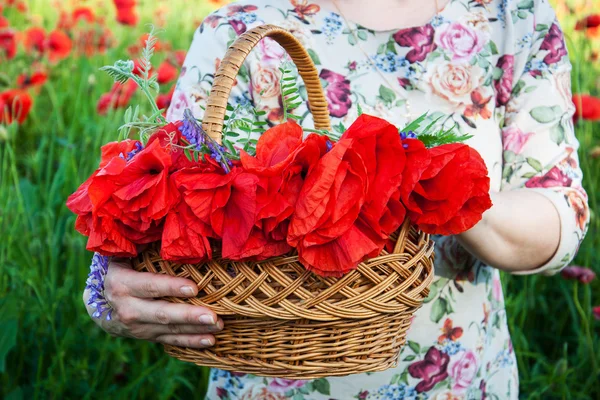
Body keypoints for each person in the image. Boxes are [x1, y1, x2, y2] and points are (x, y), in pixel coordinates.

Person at [84, 0, 590, 398]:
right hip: (270, 387)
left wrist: (432, 185)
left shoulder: (511, 19)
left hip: (456, 384)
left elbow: (561, 220)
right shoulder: (241, 29)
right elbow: (168, 202)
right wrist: (106, 291)